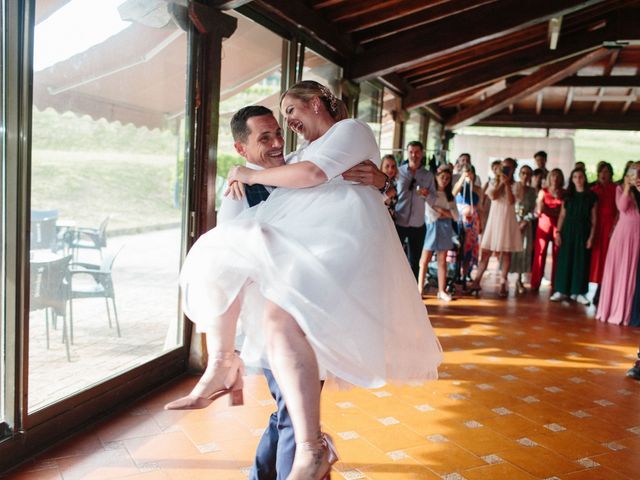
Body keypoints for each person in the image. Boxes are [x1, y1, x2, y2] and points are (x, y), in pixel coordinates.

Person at [168, 81, 443, 480]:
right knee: (288, 409)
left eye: (288, 117)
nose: (284, 133)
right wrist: (240, 173)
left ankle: (300, 452)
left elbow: (316, 175)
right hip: (274, 300)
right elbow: (233, 259)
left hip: (322, 273)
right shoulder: (252, 183)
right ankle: (230, 371)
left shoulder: (342, 135)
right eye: (269, 134)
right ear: (242, 148)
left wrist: (381, 183)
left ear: (316, 103)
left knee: (289, 411)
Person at [467, 158, 522, 297]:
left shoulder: (517, 185)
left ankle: (504, 282)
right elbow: (493, 196)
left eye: (509, 168)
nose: (506, 170)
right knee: (486, 252)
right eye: (504, 167)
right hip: (494, 220)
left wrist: (507, 184)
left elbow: (511, 201)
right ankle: (477, 281)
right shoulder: (493, 181)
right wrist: (501, 183)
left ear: (514, 169)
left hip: (507, 220)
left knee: (506, 253)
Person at [596, 162, 640, 325]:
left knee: (632, 273)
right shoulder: (620, 188)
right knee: (619, 270)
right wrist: (628, 187)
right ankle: (613, 310)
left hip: (638, 235)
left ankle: (628, 311)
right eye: (635, 171)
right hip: (623, 235)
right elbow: (622, 207)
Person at [550, 168, 597, 305]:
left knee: (581, 261)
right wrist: (558, 232)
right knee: (565, 260)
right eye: (575, 177)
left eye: (580, 176)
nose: (578, 179)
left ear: (584, 178)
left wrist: (591, 237)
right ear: (572, 179)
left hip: (583, 231)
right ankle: (561, 290)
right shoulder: (568, 196)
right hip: (568, 231)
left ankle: (579, 292)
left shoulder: (591, 196)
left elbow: (594, 220)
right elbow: (562, 215)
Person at [394, 141, 437, 278]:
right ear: (407, 153)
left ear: (422, 153)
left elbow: (433, 200)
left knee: (414, 261)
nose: (414, 155)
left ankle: (412, 294)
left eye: (417, 152)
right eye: (411, 152)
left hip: (418, 223)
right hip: (399, 221)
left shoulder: (428, 175)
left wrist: (427, 194)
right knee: (394, 257)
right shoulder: (398, 172)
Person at [418, 164, 458, 301]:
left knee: (442, 261)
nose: (445, 180)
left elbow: (455, 215)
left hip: (445, 229)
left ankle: (442, 290)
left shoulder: (450, 196)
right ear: (437, 177)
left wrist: (440, 210)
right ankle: (419, 289)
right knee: (424, 260)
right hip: (431, 227)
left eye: (447, 178)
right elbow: (431, 213)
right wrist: (445, 213)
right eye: (442, 177)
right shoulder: (431, 193)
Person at [530, 169, 565, 291]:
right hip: (544, 224)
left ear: (561, 179)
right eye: (553, 176)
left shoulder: (564, 193)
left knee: (558, 255)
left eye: (557, 176)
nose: (555, 179)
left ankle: (556, 284)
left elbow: (564, 212)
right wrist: (555, 211)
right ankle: (535, 283)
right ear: (549, 178)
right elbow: (540, 209)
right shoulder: (543, 192)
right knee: (540, 254)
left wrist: (553, 211)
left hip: (558, 226)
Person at [589, 162, 618, 298]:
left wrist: (615, 227)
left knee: (607, 258)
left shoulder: (615, 189)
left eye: (606, 172)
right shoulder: (594, 190)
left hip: (609, 227)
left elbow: (619, 210)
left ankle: (604, 290)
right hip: (596, 227)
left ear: (611, 174)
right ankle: (595, 287)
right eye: (601, 172)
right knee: (596, 258)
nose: (603, 174)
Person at [453, 164, 483, 287]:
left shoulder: (477, 189)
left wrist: (480, 223)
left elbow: (480, 206)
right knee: (458, 247)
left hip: (473, 222)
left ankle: (465, 274)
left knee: (469, 249)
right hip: (460, 220)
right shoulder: (459, 187)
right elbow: (453, 193)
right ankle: (455, 273)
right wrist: (462, 179)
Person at [509, 165, 537, 294]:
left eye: (528, 174)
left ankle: (519, 279)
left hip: (526, 224)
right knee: (510, 251)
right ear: (519, 174)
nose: (525, 176)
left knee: (523, 250)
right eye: (523, 173)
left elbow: (535, 210)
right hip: (512, 223)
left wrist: (526, 220)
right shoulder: (513, 187)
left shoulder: (533, 191)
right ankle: (505, 278)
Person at [380, 154, 398, 219]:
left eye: (393, 166)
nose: (390, 169)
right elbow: (372, 203)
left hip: (391, 222)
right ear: (381, 167)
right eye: (387, 166)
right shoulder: (376, 184)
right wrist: (386, 195)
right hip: (380, 222)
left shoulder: (394, 183)